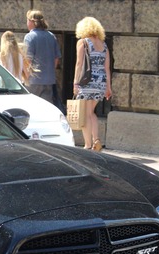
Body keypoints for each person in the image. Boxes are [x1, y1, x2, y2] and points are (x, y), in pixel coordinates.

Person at [73, 16, 112, 152]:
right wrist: (108, 87)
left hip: (87, 81)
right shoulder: (104, 45)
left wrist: (75, 83)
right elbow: (107, 68)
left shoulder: (83, 42)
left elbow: (79, 64)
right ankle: (96, 140)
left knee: (84, 114)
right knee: (91, 112)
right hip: (100, 81)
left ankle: (88, 145)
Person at [23, 10, 61, 104]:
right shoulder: (51, 36)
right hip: (49, 80)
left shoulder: (29, 37)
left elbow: (28, 60)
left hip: (33, 80)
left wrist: (25, 78)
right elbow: (56, 59)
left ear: (32, 21)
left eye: (27, 20)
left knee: (31, 107)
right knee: (46, 108)